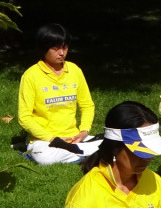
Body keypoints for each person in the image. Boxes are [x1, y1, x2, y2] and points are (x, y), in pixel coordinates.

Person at [17, 24, 101, 165]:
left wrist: (84, 131)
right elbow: (24, 118)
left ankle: (77, 152)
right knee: (45, 158)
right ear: (44, 49)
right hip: (44, 140)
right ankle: (86, 155)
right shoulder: (31, 75)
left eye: (65, 48)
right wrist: (52, 139)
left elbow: (87, 105)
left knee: (115, 143)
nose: (62, 53)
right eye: (56, 49)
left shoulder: (75, 70)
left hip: (74, 137)